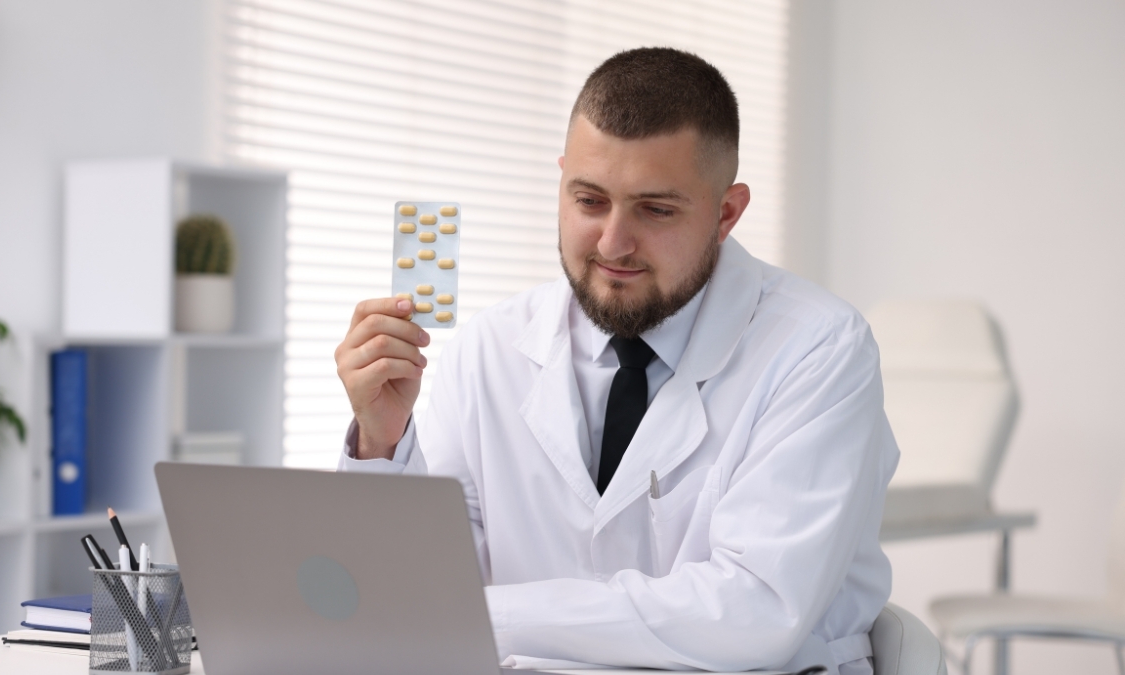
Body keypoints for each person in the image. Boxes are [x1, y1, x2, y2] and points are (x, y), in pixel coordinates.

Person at [334, 47, 898, 675]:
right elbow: (413, 592)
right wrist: (383, 444)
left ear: (726, 213)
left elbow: (753, 612)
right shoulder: (490, 347)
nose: (613, 243)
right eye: (590, 200)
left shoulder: (819, 349)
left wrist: (477, 616)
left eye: (655, 210)